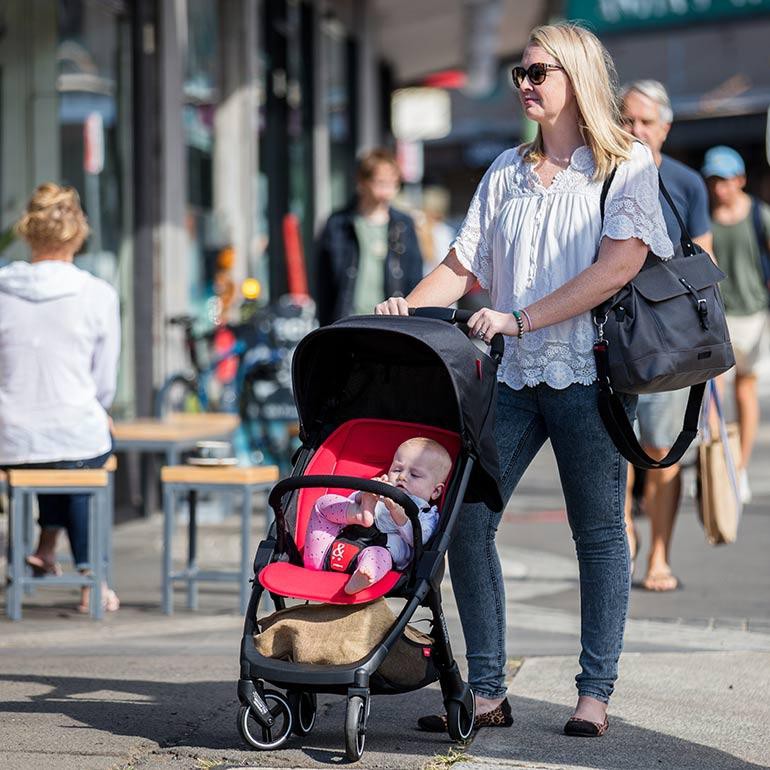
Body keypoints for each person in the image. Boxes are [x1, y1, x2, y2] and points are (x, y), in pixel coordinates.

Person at [376, 22, 673, 737]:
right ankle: (486, 691)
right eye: (520, 73)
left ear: (574, 76)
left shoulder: (623, 161)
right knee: (466, 522)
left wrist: (522, 317)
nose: (526, 84)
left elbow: (620, 264)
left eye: (539, 71)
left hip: (587, 374)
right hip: (511, 377)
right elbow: (464, 264)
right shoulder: (506, 169)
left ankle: (594, 693)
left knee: (599, 532)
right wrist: (403, 305)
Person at [0, 183, 121, 613]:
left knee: (51, 444)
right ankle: (92, 578)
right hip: (72, 436)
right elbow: (104, 383)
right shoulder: (98, 294)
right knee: (80, 444)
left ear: (28, 232)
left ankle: (47, 546)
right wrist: (98, 409)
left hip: (10, 439)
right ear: (77, 232)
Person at [619, 80, 713, 591]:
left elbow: (706, 260)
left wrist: (706, 353)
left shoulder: (686, 183)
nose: (635, 131)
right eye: (627, 121)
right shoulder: (602, 178)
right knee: (619, 446)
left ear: (665, 126)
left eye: (645, 122)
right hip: (612, 333)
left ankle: (659, 554)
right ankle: (625, 533)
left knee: (661, 449)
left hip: (670, 343)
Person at [702, 146, 770, 503]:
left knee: (746, 391)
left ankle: (739, 468)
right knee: (715, 395)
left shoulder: (760, 216)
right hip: (718, 319)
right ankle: (718, 465)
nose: (719, 188)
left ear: (740, 180)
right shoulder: (706, 221)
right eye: (713, 180)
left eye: (725, 180)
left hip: (754, 316)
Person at [303, 437, 451, 594]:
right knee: (322, 504)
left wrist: (398, 514)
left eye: (414, 475)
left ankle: (364, 576)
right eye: (397, 470)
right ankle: (360, 514)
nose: (402, 477)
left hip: (377, 553)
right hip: (325, 552)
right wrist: (364, 495)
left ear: (435, 491)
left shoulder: (426, 513)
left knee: (380, 556)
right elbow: (349, 501)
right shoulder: (381, 490)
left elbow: (421, 539)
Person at [315, 148, 423, 326]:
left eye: (392, 182)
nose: (387, 188)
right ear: (362, 182)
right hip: (347, 319)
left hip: (391, 322)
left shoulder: (403, 224)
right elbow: (324, 283)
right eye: (380, 182)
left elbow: (414, 276)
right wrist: (326, 325)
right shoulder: (339, 224)